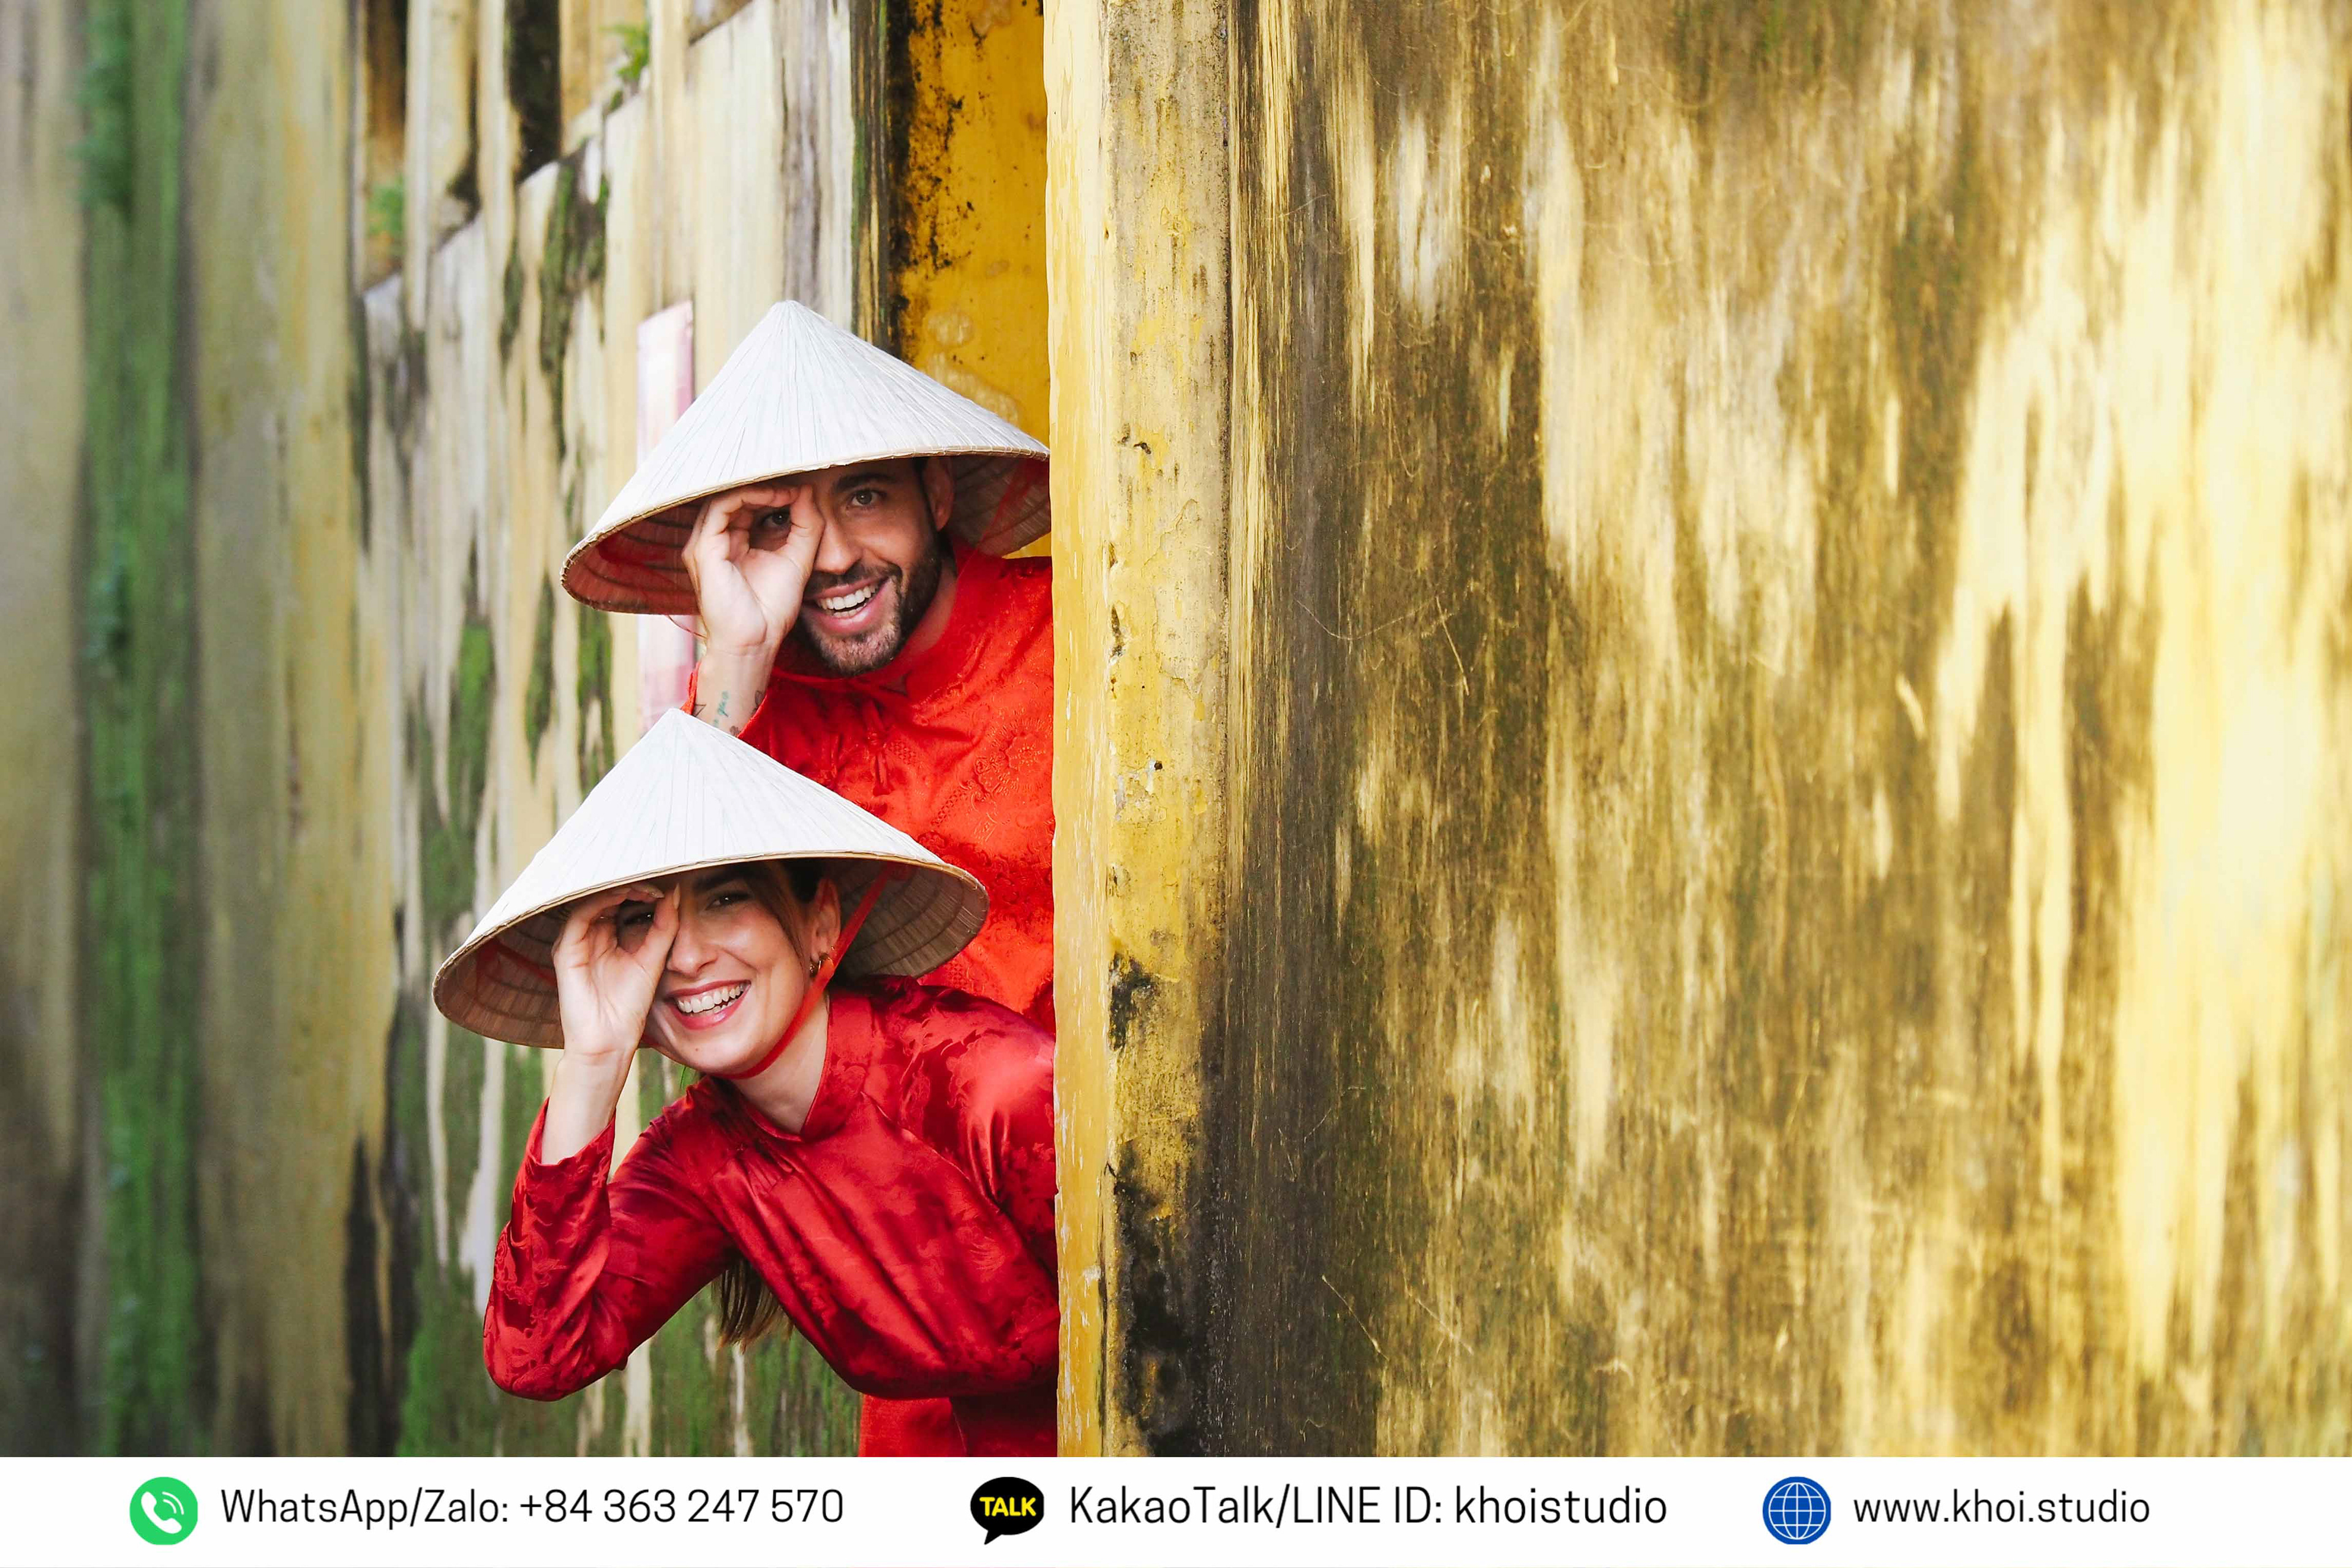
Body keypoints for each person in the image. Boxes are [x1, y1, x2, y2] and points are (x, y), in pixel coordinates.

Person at [563, 301, 1056, 1453]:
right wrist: (731, 652)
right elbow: (676, 935)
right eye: (784, 521)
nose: (832, 554)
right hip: (913, 1319)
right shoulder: (754, 724)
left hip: (1106, 1242)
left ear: (938, 494)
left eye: (866, 498)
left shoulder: (1082, 639)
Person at [432, 710, 1057, 1456]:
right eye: (642, 921)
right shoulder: (703, 1160)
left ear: (820, 919)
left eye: (726, 898)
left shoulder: (993, 1090)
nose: (687, 956)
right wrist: (593, 1062)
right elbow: (535, 1357)